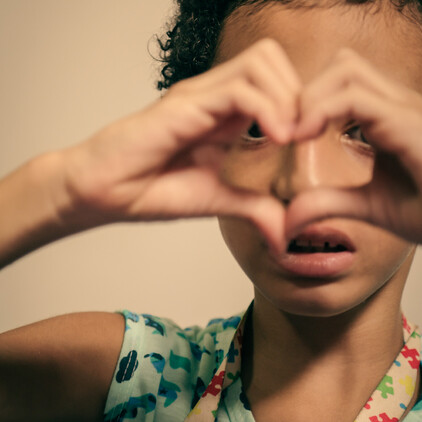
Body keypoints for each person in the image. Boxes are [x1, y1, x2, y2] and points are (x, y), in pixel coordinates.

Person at [1, 0, 422, 421]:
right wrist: (62, 188)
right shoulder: (126, 372)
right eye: (255, 126)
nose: (303, 182)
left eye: (365, 128)